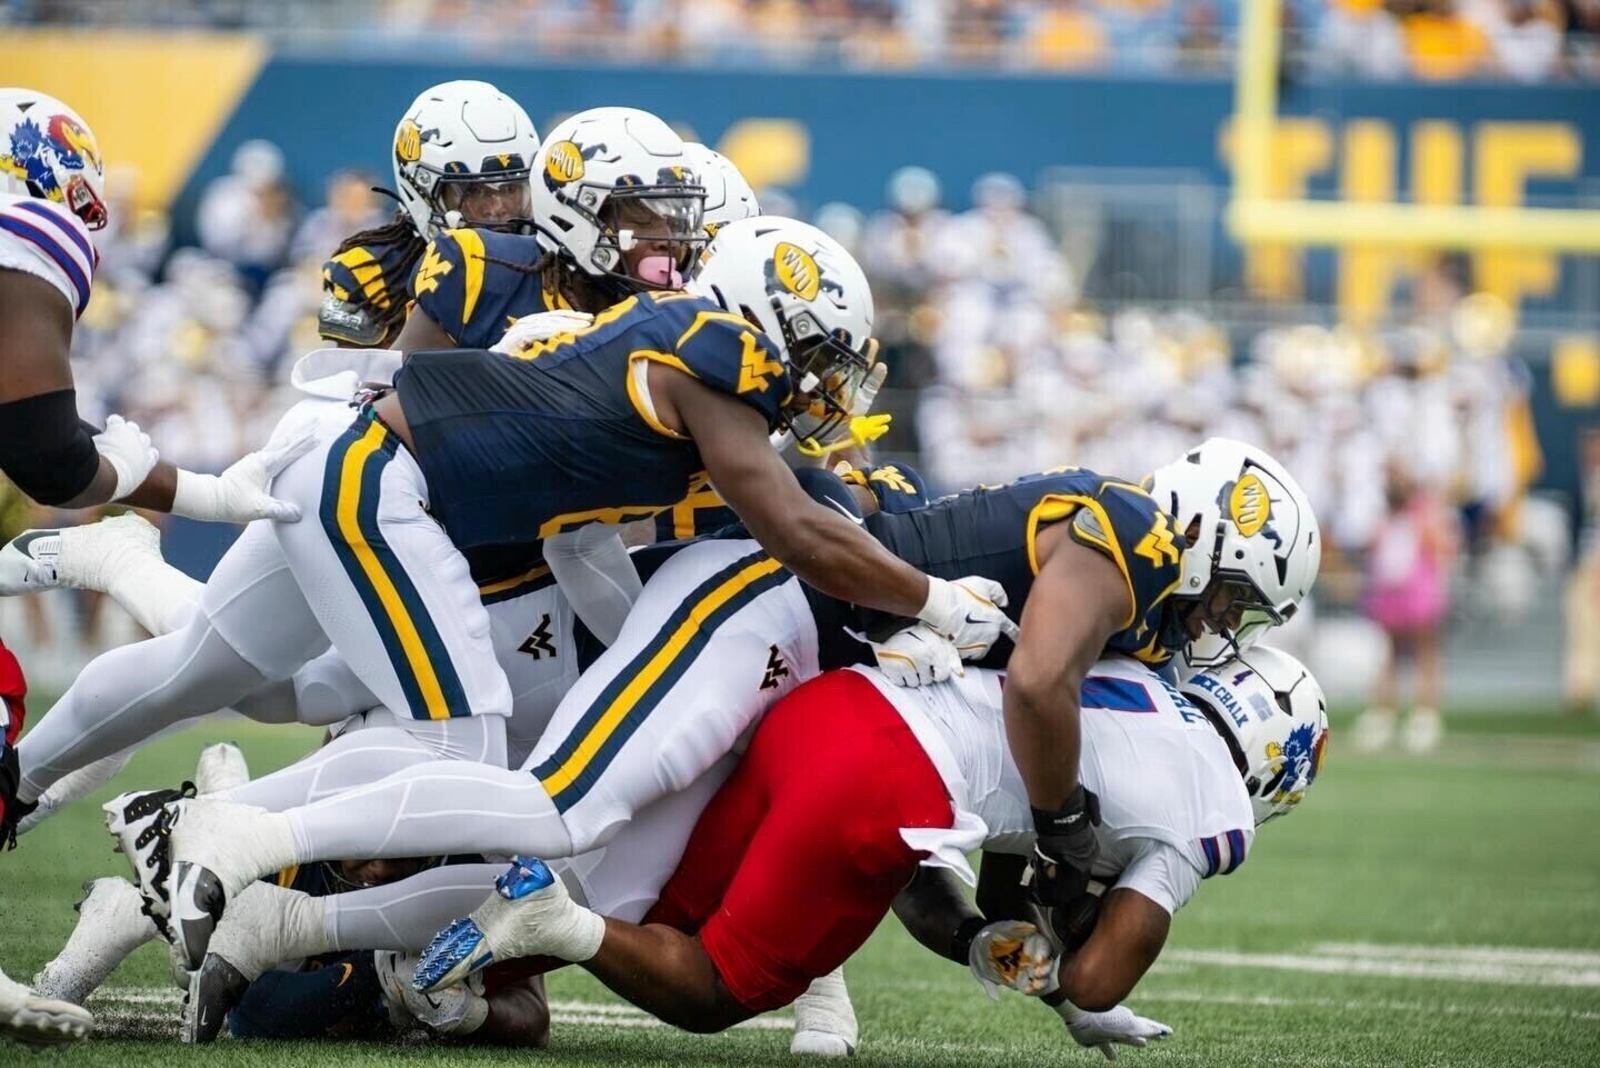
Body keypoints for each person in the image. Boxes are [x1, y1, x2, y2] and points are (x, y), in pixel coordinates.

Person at [155, 437, 1315, 1042]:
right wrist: (1066, 836)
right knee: (558, 805)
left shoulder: (1134, 618)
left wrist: (1012, 932)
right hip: (782, 615)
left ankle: (294, 919)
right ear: (1215, 534)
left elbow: (969, 834)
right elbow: (1037, 680)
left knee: (594, 877)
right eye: (1237, 600)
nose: (1221, 629)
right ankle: (250, 830)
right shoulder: (1131, 535)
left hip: (817, 681)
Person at [408, 644, 1327, 1041]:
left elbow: (932, 873)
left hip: (835, 710)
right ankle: (549, 921)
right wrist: (1081, 995)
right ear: (1271, 763)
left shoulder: (1131, 678)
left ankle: (421, 979)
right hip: (888, 786)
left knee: (670, 914)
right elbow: (1098, 975)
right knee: (716, 990)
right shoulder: (1211, 810)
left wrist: (985, 941)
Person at [0, 88, 306, 524]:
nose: (85, 232)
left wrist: (202, 493)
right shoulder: (20, 238)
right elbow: (49, 459)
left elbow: (29, 422)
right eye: (76, 206)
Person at [318, 80, 539, 350]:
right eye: (476, 191)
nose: (498, 207)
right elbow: (353, 385)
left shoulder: (555, 269)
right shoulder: (368, 273)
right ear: (421, 189)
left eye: (511, 189)